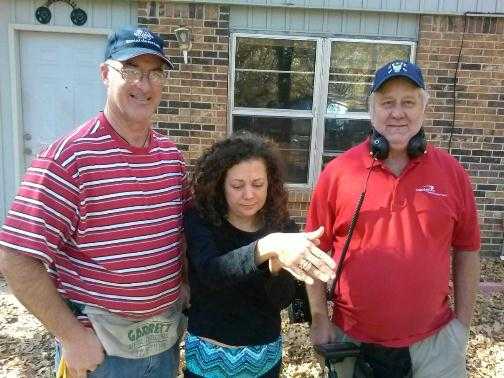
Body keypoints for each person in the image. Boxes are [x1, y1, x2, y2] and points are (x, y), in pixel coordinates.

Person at [0, 26, 191, 378]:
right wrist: (70, 336)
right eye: (131, 70)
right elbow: (16, 257)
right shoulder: (68, 159)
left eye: (154, 73)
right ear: (106, 74)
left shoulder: (171, 158)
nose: (144, 85)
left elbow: (179, 239)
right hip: (100, 355)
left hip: (162, 344)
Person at [305, 60, 480, 378]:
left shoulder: (453, 174)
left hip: (436, 347)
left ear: (424, 108)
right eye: (387, 103)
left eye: (408, 102)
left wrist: (462, 325)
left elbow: (468, 250)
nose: (397, 113)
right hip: (352, 342)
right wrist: (319, 317)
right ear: (371, 109)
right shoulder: (338, 173)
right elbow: (312, 252)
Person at [183, 132, 336, 377]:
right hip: (209, 358)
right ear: (220, 184)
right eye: (237, 185)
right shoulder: (201, 220)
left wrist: (275, 265)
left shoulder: (282, 227)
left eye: (257, 184)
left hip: (262, 359)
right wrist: (266, 247)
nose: (248, 194)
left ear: (270, 184)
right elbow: (212, 273)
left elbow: (281, 300)